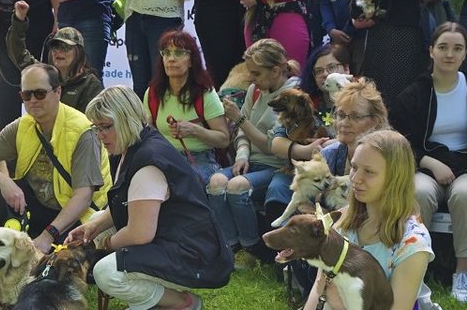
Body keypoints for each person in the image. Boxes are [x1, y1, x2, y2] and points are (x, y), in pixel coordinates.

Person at [283, 130, 454, 310]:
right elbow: (317, 294)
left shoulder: (412, 242)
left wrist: (341, 304)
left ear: (395, 178)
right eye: (354, 168)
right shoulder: (344, 226)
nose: (356, 179)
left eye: (369, 172)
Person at [70, 85, 233, 310]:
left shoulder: (148, 161)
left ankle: (181, 303)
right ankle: (159, 293)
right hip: (180, 240)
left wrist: (105, 243)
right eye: (96, 128)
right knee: (95, 221)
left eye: (106, 126)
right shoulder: (135, 144)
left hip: (194, 254)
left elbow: (139, 233)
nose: (101, 135)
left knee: (105, 272)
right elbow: (127, 202)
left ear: (126, 120)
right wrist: (94, 227)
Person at [390, 22, 467, 303]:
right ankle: (414, 272)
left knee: (465, 195)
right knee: (419, 192)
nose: (449, 54)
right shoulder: (415, 93)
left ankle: (463, 273)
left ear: (465, 54)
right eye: (443, 47)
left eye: (457, 48)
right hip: (427, 165)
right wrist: (429, 161)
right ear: (431, 51)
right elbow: (398, 139)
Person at [0, 63, 110, 254]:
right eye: (26, 95)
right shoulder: (23, 125)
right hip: (36, 206)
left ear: (58, 91)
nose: (33, 100)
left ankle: (34, 244)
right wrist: (4, 182)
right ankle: (13, 246)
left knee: (60, 261)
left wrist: (48, 235)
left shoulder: (82, 130)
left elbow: (83, 197)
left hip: (76, 216)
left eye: (40, 93)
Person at [208, 39, 303, 268]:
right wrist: (241, 155)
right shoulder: (255, 90)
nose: (251, 79)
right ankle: (231, 245)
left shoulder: (293, 96)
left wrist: (239, 118)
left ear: (276, 71)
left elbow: (273, 145)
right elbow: (243, 133)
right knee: (216, 180)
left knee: (236, 186)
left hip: (276, 166)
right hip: (251, 162)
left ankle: (253, 248)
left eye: (256, 73)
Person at [142, 30, 230, 184]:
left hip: (200, 158)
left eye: (179, 53)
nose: (171, 59)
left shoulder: (206, 93)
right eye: (166, 53)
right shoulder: (152, 93)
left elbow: (223, 140)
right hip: (163, 157)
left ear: (191, 61)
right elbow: (147, 134)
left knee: (184, 183)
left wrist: (193, 130)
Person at [8, 1, 101, 114]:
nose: (58, 51)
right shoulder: (44, 74)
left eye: (65, 47)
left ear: (78, 52)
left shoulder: (90, 84)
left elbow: (92, 123)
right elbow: (18, 54)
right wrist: (19, 20)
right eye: (55, 46)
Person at [300, 42, 347, 128]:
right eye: (319, 71)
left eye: (332, 67)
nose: (325, 74)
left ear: (346, 69)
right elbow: (283, 131)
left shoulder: (363, 98)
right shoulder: (308, 104)